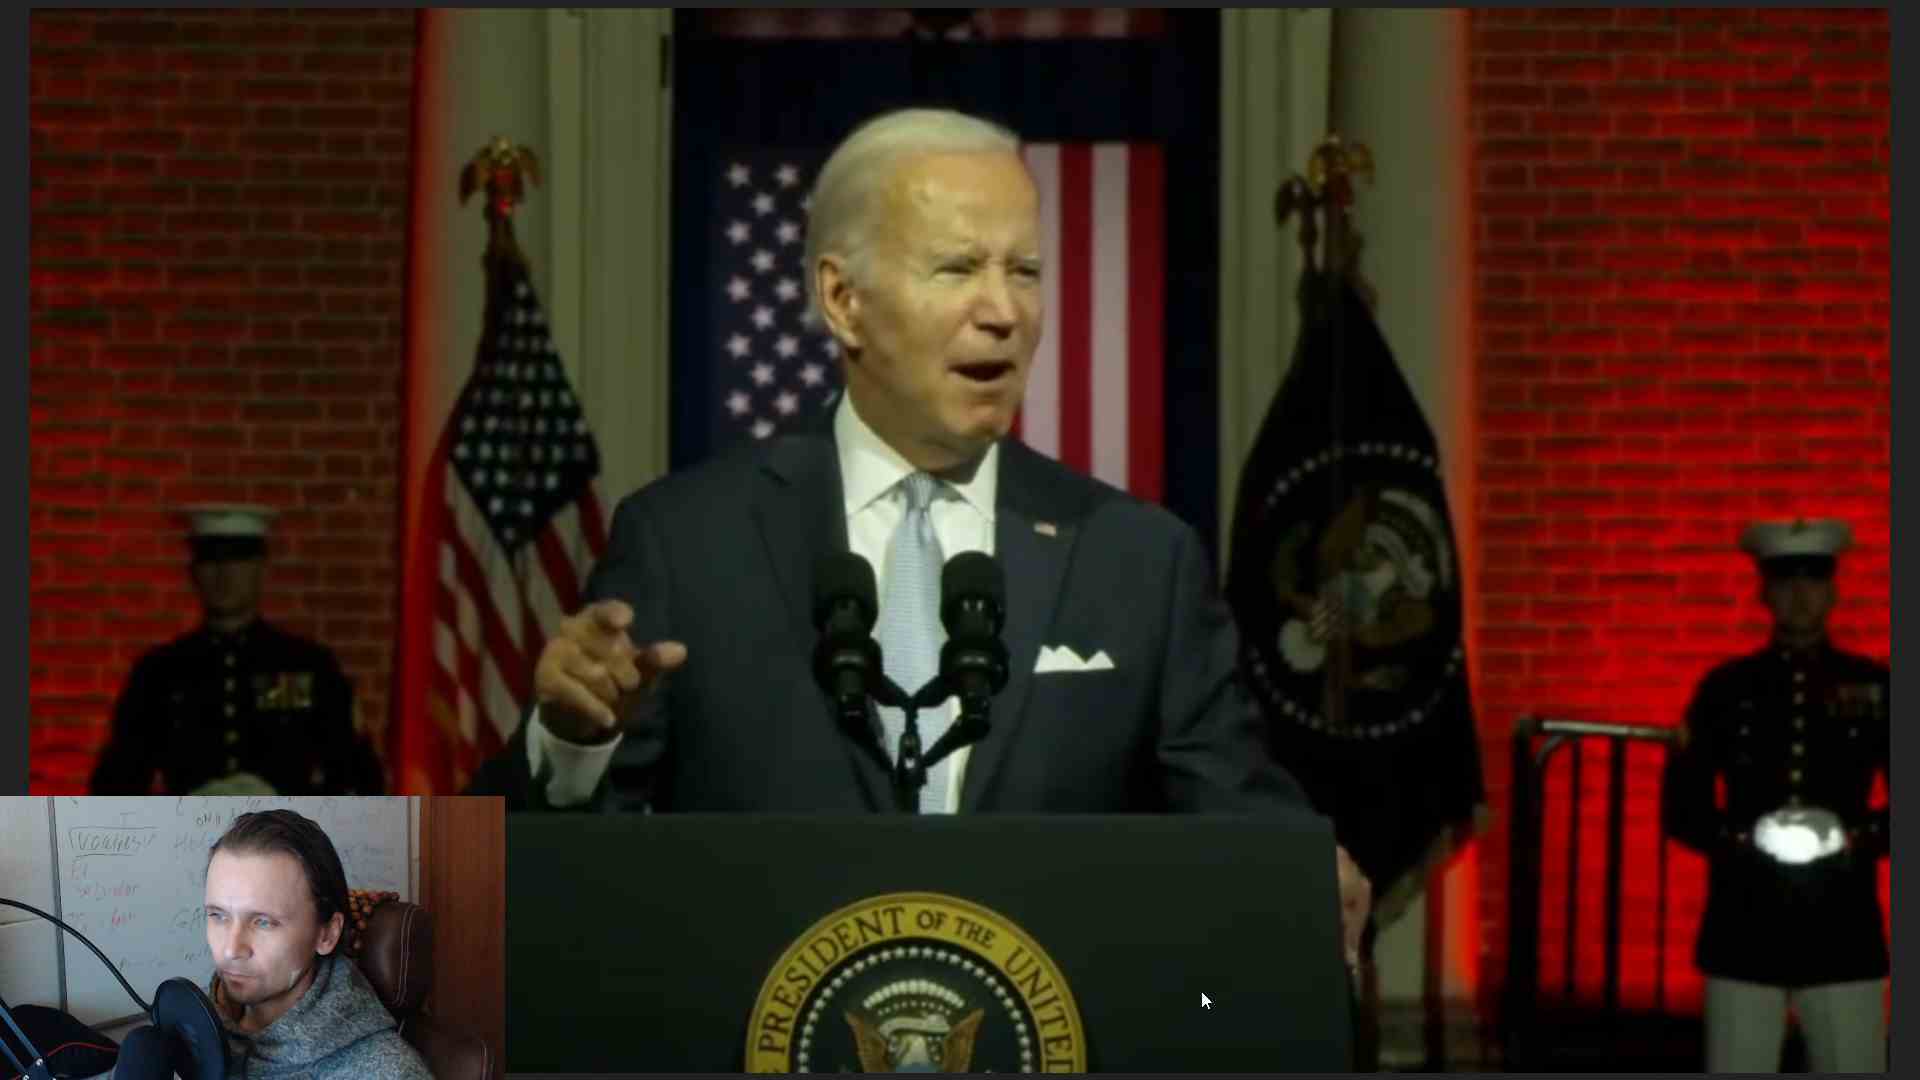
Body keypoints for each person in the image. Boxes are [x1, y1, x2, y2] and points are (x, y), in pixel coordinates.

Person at [468, 107, 1370, 958]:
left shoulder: (1138, 560)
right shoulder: (687, 544)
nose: (1003, 311)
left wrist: (1301, 876)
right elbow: (538, 892)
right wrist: (569, 743)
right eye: (957, 268)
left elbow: (1240, 825)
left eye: (1025, 271)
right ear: (842, 299)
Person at [1661, 517, 1889, 1072]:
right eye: (1786, 581)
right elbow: (1682, 806)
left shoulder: (1878, 686)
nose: (1800, 595)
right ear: (1764, 592)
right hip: (1745, 921)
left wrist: (1853, 838)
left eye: (1814, 580)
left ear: (1833, 591)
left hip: (1842, 922)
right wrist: (1744, 840)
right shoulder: (1726, 688)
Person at [89, 505, 386, 796]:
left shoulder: (306, 665)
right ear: (193, 572)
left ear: (261, 568)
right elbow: (116, 785)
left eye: (238, 560)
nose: (225, 575)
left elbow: (357, 777)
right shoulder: (160, 673)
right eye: (211, 561)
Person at [190, 809, 432, 1078]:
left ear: (326, 935)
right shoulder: (188, 1032)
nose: (231, 950)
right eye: (218, 916)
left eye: (263, 922)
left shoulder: (386, 1072)